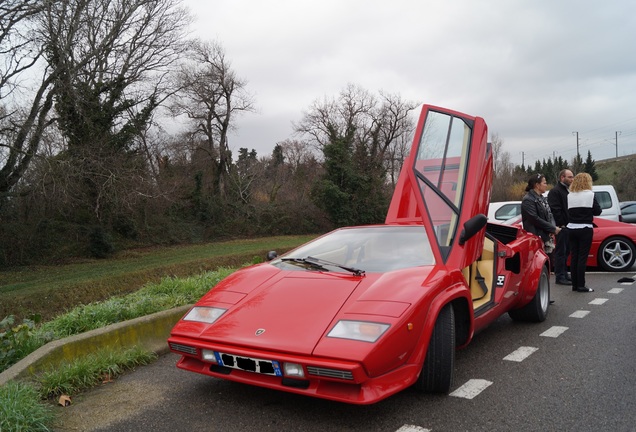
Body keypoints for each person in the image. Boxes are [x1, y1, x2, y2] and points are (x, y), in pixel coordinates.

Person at [567, 173, 601, 292]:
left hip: (571, 228)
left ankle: (574, 285)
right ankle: (581, 285)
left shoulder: (570, 195)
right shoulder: (590, 195)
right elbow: (598, 211)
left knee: (574, 257)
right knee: (582, 257)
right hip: (585, 228)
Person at [521, 173, 561, 269]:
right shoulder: (528, 200)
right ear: (537, 185)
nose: (546, 185)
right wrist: (552, 228)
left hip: (545, 236)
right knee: (537, 267)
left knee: (547, 266)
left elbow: (549, 215)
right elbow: (534, 219)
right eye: (544, 183)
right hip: (536, 237)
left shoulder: (542, 199)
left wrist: (551, 229)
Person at [548, 169, 574, 285]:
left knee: (566, 251)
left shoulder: (567, 190)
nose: (572, 179)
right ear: (562, 178)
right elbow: (555, 209)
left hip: (568, 226)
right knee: (561, 252)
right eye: (570, 177)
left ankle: (565, 273)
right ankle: (560, 276)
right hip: (562, 227)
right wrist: (561, 224)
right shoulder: (555, 191)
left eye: (572, 177)